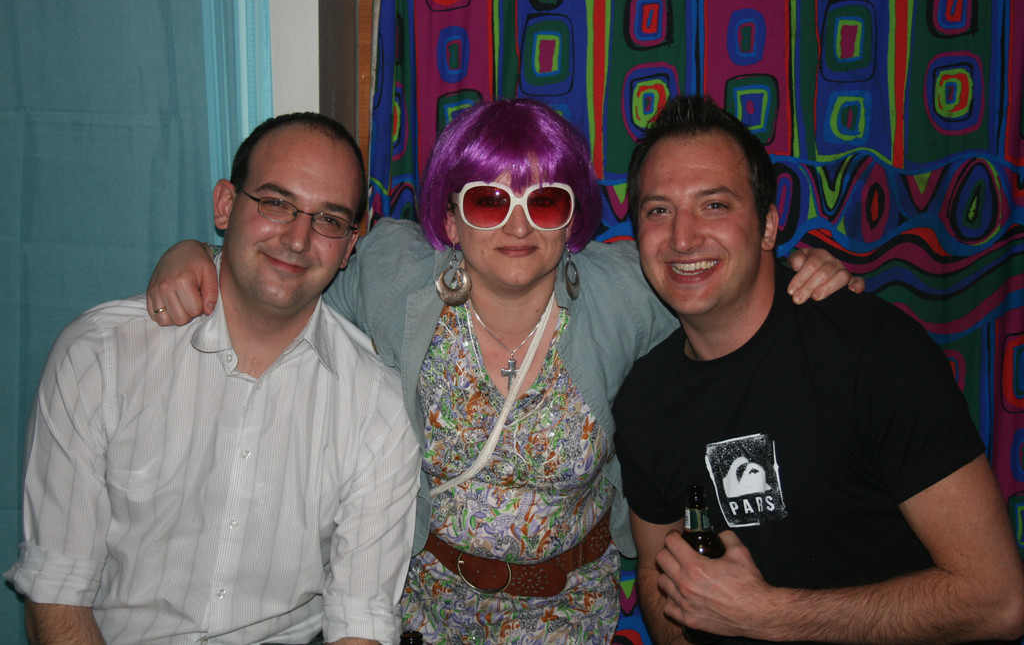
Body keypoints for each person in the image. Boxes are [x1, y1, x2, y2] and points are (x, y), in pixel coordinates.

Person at [143, 99, 861, 644]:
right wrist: (200, 255)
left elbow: (714, 278)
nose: (518, 225)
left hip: (570, 613)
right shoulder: (394, 274)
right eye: (489, 199)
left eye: (544, 200)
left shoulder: (620, 291)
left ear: (570, 220)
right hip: (423, 607)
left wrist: (802, 270)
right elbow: (291, 266)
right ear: (452, 218)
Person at [614, 94, 1024, 644]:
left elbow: (999, 601)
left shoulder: (874, 353)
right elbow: (655, 569)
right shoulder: (643, 402)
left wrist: (765, 614)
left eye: (714, 205)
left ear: (768, 226)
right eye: (658, 210)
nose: (682, 238)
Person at [5, 113, 421, 645]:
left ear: (348, 246)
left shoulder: (376, 407)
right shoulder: (100, 357)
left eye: (328, 219)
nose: (298, 238)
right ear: (226, 205)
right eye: (276, 204)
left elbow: (360, 619)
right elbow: (58, 590)